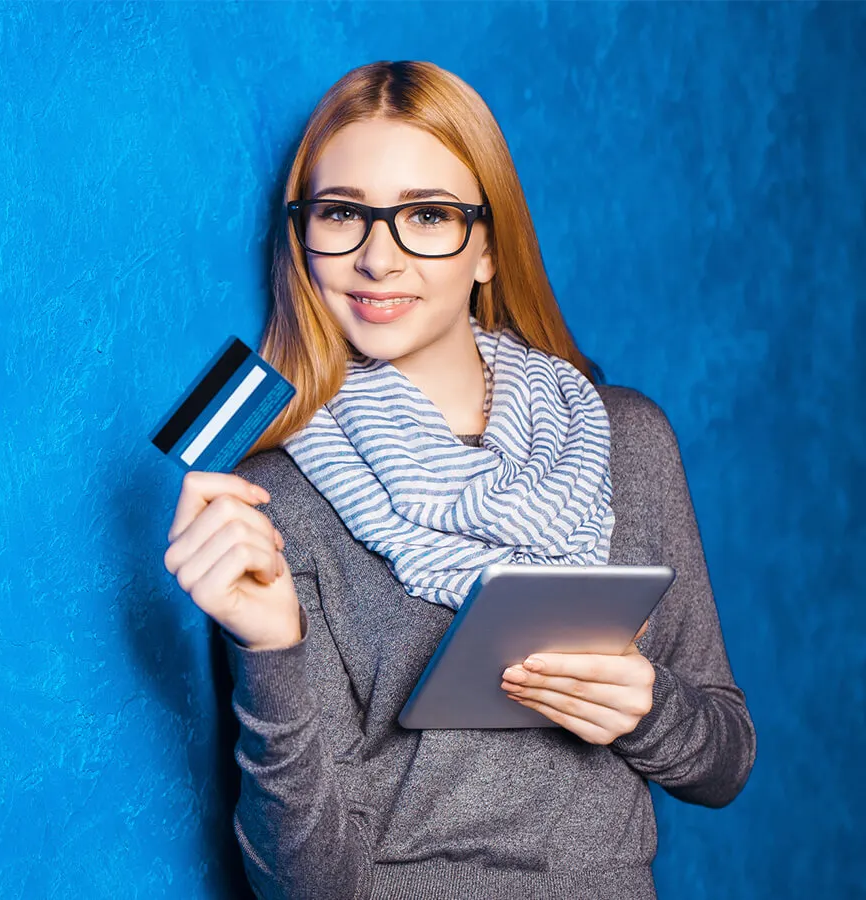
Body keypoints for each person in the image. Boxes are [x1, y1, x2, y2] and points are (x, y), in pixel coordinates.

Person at [161, 60, 755, 899]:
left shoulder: (627, 439)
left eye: (427, 216)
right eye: (343, 215)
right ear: (304, 239)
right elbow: (306, 886)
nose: (377, 258)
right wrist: (269, 649)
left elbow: (724, 761)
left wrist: (650, 708)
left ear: (485, 246)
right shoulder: (277, 499)